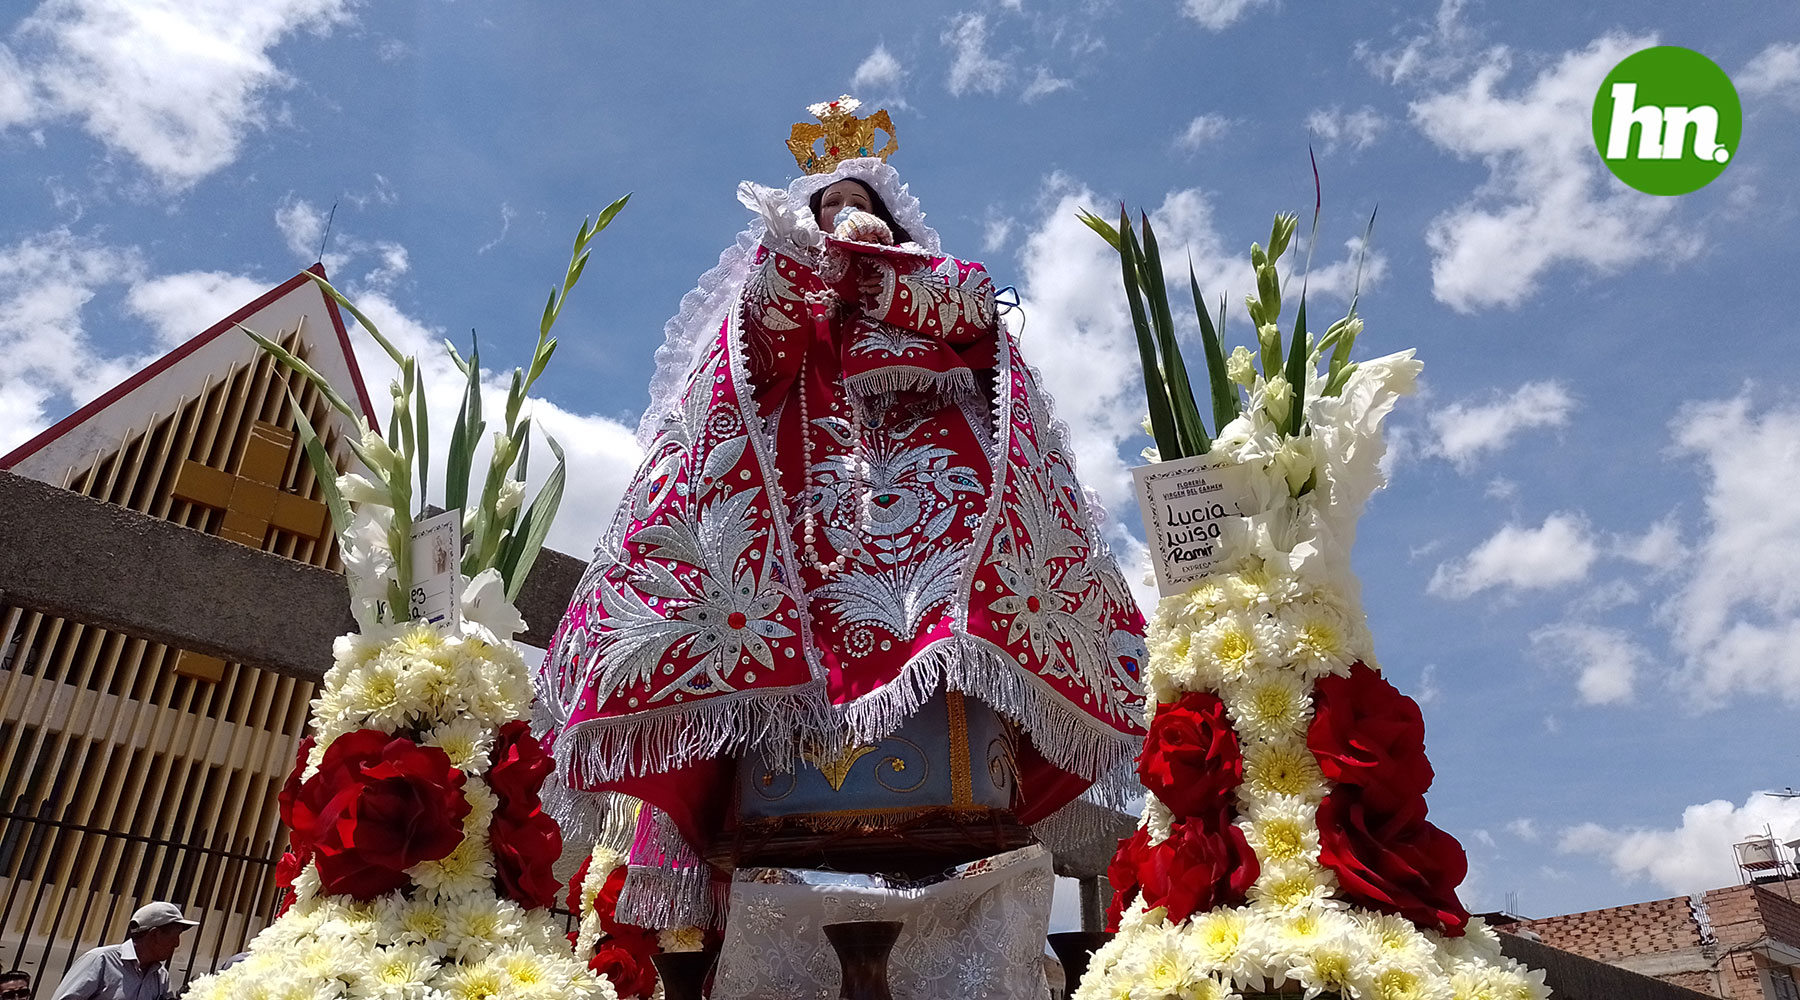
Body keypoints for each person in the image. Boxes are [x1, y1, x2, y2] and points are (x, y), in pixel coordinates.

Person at [535, 97, 1146, 922]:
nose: (843, 215)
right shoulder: (788, 283)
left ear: (893, 218)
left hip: (931, 512)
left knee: (942, 620)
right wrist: (796, 267)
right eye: (827, 207)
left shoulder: (942, 282)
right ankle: (787, 777)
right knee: (802, 620)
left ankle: (946, 757)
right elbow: (753, 354)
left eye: (859, 204)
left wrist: (876, 270)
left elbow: (969, 317)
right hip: (811, 517)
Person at [51, 902, 195, 1000]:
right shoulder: (101, 960)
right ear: (154, 935)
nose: (177, 944)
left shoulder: (161, 976)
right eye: (174, 937)